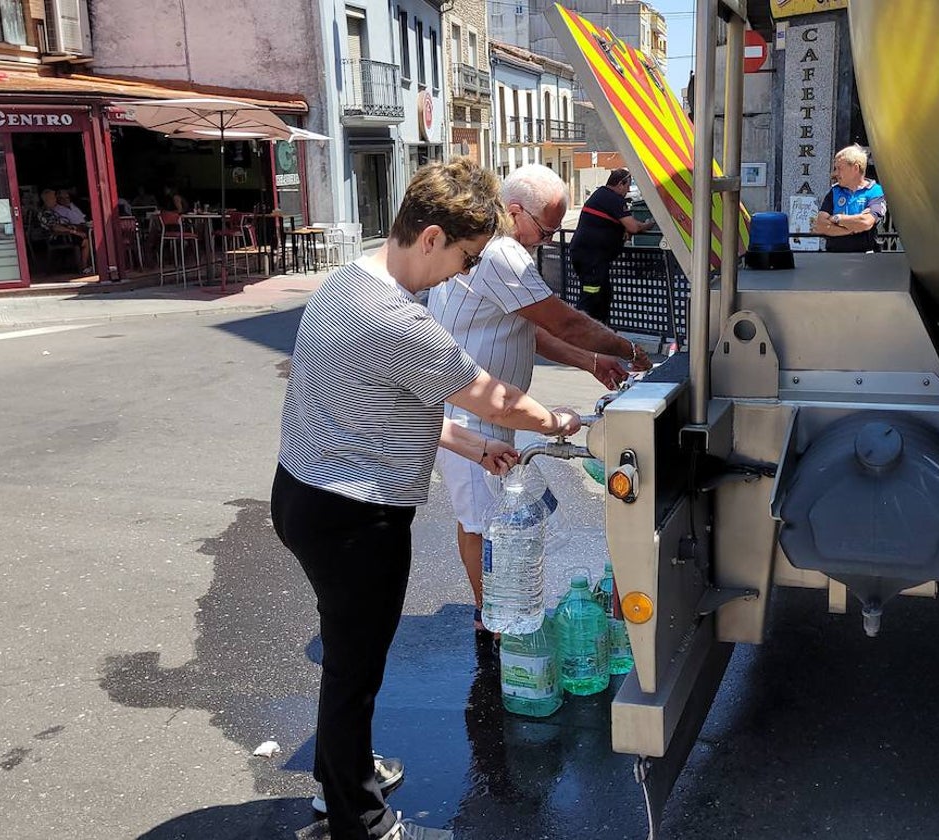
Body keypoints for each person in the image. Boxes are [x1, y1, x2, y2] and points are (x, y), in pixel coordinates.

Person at [270, 158, 582, 840]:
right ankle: (359, 817)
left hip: (304, 496)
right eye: (467, 258)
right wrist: (561, 421)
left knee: (351, 663)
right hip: (355, 516)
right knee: (356, 670)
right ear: (434, 237)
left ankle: (343, 774)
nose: (467, 275)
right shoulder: (397, 320)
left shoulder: (347, 283)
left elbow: (392, 401)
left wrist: (474, 448)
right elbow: (493, 397)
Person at [427, 163, 653, 636]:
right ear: (514, 212)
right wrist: (629, 350)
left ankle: (495, 607)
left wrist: (591, 361)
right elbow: (562, 321)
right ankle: (492, 617)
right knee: (481, 522)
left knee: (487, 518)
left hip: (484, 408)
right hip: (472, 412)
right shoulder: (501, 252)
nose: (547, 241)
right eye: (546, 229)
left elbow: (526, 328)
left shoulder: (490, 247)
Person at [568, 167, 656, 324]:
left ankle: (600, 330)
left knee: (603, 295)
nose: (628, 190)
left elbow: (616, 223)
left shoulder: (601, 195)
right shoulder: (613, 199)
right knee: (591, 296)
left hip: (591, 255)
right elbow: (633, 227)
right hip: (592, 257)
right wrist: (648, 225)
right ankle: (580, 331)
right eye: (627, 186)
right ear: (621, 184)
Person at [810, 144, 887, 253]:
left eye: (839, 168)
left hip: (865, 259)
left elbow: (865, 222)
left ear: (855, 168)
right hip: (834, 257)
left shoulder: (875, 191)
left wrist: (836, 218)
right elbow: (820, 225)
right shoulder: (834, 191)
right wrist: (852, 229)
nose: (835, 173)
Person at [36, 188, 90, 273]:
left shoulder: (53, 209)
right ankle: (84, 267)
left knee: (88, 234)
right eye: (53, 198)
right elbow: (55, 227)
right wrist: (74, 232)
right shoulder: (45, 212)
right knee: (85, 240)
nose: (56, 200)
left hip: (65, 233)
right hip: (57, 237)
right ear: (47, 199)